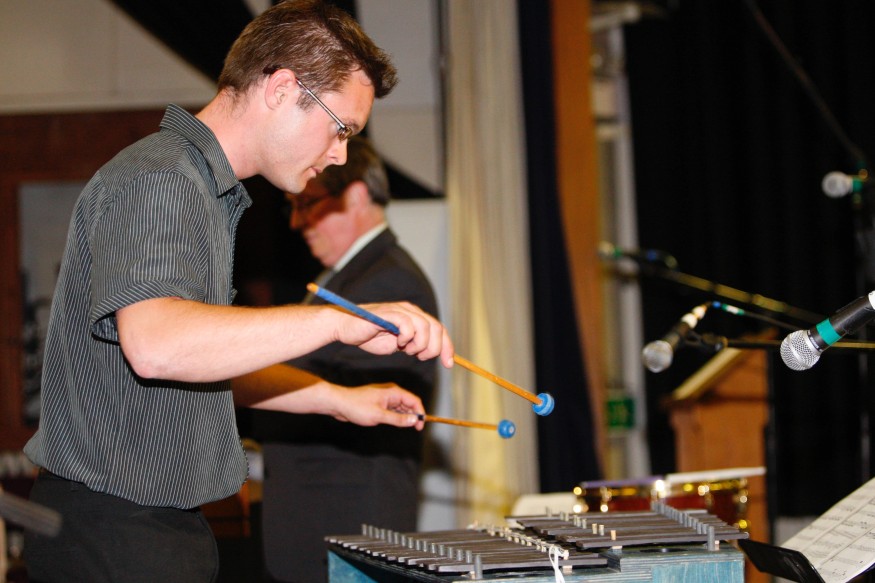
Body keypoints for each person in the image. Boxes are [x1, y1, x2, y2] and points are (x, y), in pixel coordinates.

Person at [21, 2, 454, 582]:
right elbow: (157, 346)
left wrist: (336, 398)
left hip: (147, 528)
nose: (340, 154)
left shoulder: (204, 192)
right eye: (341, 128)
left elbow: (202, 362)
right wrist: (338, 320)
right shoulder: (162, 179)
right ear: (282, 89)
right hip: (113, 531)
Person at [254, 136, 438, 582]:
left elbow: (330, 401)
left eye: (308, 204)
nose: (297, 222)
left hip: (349, 530)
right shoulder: (346, 279)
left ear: (355, 195)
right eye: (292, 207)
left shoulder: (389, 283)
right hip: (322, 525)